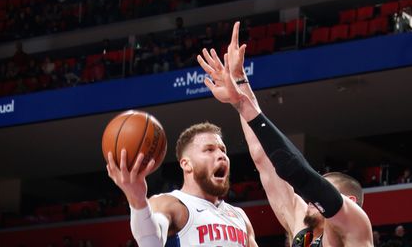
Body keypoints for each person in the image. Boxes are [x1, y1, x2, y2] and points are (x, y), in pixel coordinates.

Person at [197, 22, 374, 247]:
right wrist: (240, 88)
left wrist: (243, 102)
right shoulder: (304, 231)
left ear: (349, 202)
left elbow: (299, 173)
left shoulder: (355, 226)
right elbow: (264, 159)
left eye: (322, 191)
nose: (310, 198)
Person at [105, 121, 258, 246]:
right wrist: (138, 201)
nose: (221, 156)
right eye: (209, 150)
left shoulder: (239, 216)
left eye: (223, 150)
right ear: (186, 164)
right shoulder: (170, 204)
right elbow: (150, 241)